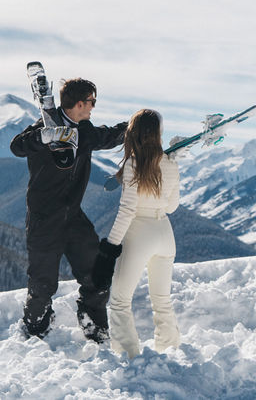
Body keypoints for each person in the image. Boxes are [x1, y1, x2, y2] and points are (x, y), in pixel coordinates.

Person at [10, 77, 127, 342]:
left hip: (73, 217)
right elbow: (17, 146)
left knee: (96, 274)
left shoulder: (83, 130)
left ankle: (93, 324)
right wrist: (44, 137)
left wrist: (135, 127)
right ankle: (34, 330)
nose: (93, 108)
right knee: (42, 285)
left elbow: (108, 136)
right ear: (78, 103)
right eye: (91, 102)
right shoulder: (46, 125)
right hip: (44, 220)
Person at [91, 108, 181, 359]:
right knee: (162, 299)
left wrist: (110, 246)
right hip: (164, 232)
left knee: (120, 300)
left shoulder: (133, 163)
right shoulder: (171, 163)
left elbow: (128, 209)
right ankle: (171, 349)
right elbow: (172, 207)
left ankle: (128, 354)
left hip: (139, 232)